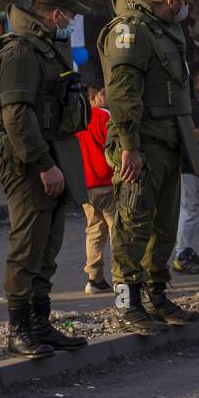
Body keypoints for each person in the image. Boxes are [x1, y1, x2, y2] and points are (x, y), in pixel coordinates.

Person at [0, 0, 92, 357]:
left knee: (48, 247)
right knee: (27, 247)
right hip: (30, 163)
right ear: (54, 13)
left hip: (54, 157)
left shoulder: (47, 47)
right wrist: (45, 164)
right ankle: (18, 330)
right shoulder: (20, 52)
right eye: (71, 13)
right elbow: (16, 115)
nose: (73, 20)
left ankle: (40, 324)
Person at [98, 0, 199, 334]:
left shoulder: (166, 31)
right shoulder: (132, 31)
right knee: (132, 225)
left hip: (168, 144)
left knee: (163, 226)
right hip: (140, 145)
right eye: (184, 0)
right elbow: (123, 92)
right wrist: (129, 146)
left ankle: (156, 297)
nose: (186, 7)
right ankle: (126, 306)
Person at [171, 66, 199, 275]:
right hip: (189, 162)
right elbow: (194, 131)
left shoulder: (194, 100)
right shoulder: (190, 102)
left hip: (193, 162)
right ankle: (182, 254)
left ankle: (187, 250)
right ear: (197, 77)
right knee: (191, 207)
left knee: (193, 207)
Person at [78, 85, 115, 293]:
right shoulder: (105, 116)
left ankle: (94, 278)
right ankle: (122, 278)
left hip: (85, 184)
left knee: (94, 231)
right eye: (103, 93)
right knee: (117, 230)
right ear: (93, 97)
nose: (107, 96)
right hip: (106, 181)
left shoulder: (78, 118)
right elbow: (114, 147)